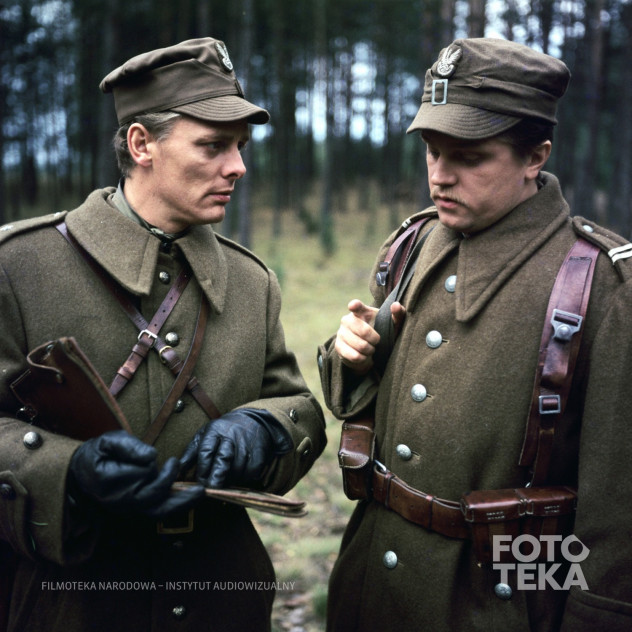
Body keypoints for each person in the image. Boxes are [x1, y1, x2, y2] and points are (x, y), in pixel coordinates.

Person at [0, 37, 326, 632]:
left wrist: (262, 428)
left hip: (221, 600)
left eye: (241, 147)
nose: (238, 167)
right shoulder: (18, 266)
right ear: (141, 144)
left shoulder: (251, 281)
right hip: (69, 605)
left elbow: (296, 404)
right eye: (213, 146)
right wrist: (68, 471)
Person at [318, 37, 632, 631]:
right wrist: (352, 357)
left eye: (469, 157)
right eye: (432, 152)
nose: (440, 176)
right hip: (371, 582)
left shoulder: (603, 285)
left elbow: (617, 512)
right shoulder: (412, 244)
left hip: (497, 599)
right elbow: (367, 400)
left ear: (534, 156)